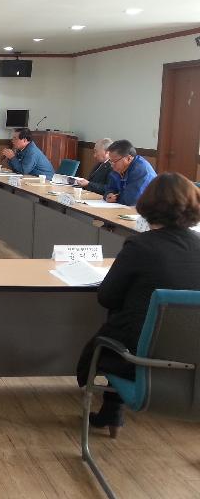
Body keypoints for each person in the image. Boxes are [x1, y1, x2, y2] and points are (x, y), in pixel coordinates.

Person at [76, 173, 200, 436]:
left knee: (123, 319)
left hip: (141, 361)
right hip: (193, 362)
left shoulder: (141, 246)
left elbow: (107, 297)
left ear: (147, 205)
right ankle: (111, 411)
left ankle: (112, 410)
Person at [104, 139, 157, 206]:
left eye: (114, 161)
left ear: (128, 158)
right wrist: (108, 195)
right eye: (110, 161)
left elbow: (131, 200)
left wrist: (116, 198)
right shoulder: (118, 168)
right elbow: (109, 188)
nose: (112, 165)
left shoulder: (141, 170)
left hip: (149, 209)